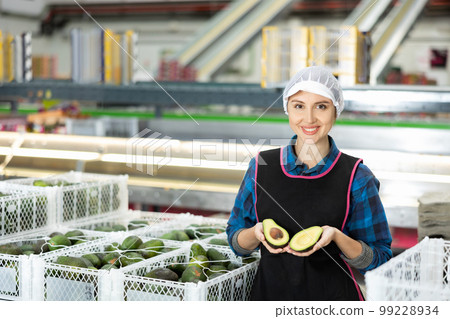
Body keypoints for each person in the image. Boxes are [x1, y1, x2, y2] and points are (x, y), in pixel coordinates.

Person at [226, 66, 392, 301]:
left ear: (336, 111)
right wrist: (256, 233)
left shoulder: (357, 177)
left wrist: (336, 237)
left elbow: (379, 260)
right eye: (299, 106)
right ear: (287, 110)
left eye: (321, 106)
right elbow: (236, 240)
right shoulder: (260, 166)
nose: (309, 118)